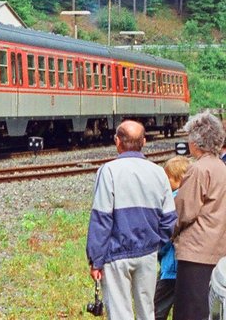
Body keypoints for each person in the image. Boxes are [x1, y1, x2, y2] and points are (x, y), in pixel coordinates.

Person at [87, 119, 176, 320]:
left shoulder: (108, 171)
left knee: (120, 313)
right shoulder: (158, 172)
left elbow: (101, 219)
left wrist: (96, 260)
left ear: (117, 141)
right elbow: (169, 219)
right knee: (147, 311)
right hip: (147, 253)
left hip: (115, 255)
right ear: (144, 141)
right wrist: (156, 244)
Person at [171, 111, 226, 320]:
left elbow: (184, 210)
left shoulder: (198, 169)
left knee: (189, 311)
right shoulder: (221, 166)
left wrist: (169, 232)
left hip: (196, 252)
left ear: (196, 141)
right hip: (219, 248)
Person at [156, 155, 192, 320]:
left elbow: (166, 233)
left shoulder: (173, 200)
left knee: (156, 309)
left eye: (168, 178)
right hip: (188, 266)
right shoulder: (193, 198)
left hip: (171, 267)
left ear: (179, 179)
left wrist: (157, 251)